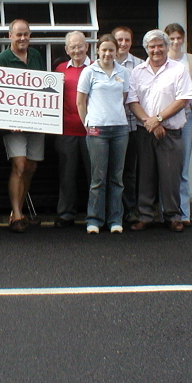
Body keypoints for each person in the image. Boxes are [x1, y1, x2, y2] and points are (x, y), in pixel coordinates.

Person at [126, 29, 192, 233]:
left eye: (160, 45)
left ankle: (173, 216)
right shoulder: (138, 71)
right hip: (145, 131)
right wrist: (150, 122)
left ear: (166, 47)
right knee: (145, 175)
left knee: (170, 175)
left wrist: (159, 119)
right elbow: (132, 101)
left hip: (171, 132)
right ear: (146, 48)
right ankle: (145, 216)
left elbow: (183, 99)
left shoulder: (178, 69)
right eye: (151, 46)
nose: (156, 50)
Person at [0, 19, 45, 233]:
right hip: (13, 124)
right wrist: (8, 119)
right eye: (18, 34)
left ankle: (21, 211)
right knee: (20, 165)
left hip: (36, 122)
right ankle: (15, 215)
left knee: (31, 167)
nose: (22, 38)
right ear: (10, 36)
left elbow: (43, 86)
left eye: (26, 34)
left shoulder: (37, 56)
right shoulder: (3, 59)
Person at [76, 34, 130, 234]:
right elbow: (80, 102)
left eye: (111, 50)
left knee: (117, 177)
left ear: (116, 52)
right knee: (98, 178)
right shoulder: (89, 72)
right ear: (97, 51)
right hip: (97, 129)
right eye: (104, 50)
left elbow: (123, 98)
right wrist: (87, 124)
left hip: (120, 129)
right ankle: (94, 220)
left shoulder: (123, 72)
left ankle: (115, 219)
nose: (107, 54)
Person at [164, 23, 192, 226]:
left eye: (179, 38)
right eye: (172, 38)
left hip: (187, 117)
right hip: (165, 117)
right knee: (166, 168)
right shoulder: (161, 59)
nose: (176, 42)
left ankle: (184, 214)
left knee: (183, 169)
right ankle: (166, 212)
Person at [53, 31, 91, 228]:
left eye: (80, 46)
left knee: (95, 176)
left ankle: (95, 214)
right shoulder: (60, 69)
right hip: (66, 130)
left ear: (87, 47)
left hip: (92, 133)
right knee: (67, 175)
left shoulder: (96, 68)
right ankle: (66, 213)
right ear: (67, 50)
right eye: (72, 47)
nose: (76, 50)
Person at [112, 26, 144, 226]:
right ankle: (112, 212)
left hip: (131, 125)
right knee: (111, 172)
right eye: (120, 40)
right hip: (109, 126)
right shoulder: (102, 63)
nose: (123, 44)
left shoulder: (140, 65)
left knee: (129, 173)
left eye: (127, 40)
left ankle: (130, 211)